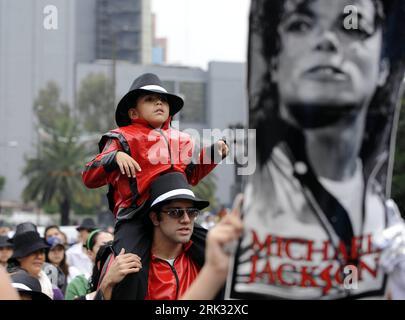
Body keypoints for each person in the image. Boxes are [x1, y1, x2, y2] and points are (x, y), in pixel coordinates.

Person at [230, 0, 405, 300]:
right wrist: (215, 274)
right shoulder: (245, 226)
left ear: (383, 68)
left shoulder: (388, 229)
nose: (327, 40)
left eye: (353, 25)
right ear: (273, 64)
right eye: (301, 25)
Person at [82, 73, 229, 299]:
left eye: (163, 100)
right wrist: (114, 158)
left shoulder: (183, 139)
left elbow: (189, 177)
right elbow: (89, 176)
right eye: (150, 99)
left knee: (219, 254)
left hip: (173, 211)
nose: (159, 103)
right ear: (133, 112)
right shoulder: (121, 137)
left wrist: (213, 155)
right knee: (131, 270)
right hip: (136, 216)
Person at [96, 172, 242, 300]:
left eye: (191, 212)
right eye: (175, 212)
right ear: (155, 218)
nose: (186, 219)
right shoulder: (124, 265)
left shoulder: (207, 261)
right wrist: (107, 284)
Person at [7, 225, 54, 299]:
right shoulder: (9, 281)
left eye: (42, 252)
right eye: (33, 252)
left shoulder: (46, 278)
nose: (39, 256)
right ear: (19, 257)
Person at [65, 229, 113, 300]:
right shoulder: (77, 285)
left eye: (113, 245)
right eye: (103, 246)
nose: (109, 250)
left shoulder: (124, 278)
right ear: (90, 253)